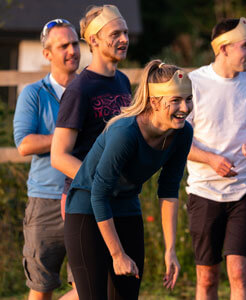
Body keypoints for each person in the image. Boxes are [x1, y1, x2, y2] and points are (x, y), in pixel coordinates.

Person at [64, 60, 193, 299]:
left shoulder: (183, 133)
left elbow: (169, 190)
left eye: (188, 99)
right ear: (154, 102)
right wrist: (117, 254)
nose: (184, 108)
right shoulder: (126, 133)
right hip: (87, 210)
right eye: (175, 100)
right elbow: (99, 194)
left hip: (126, 208)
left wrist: (170, 250)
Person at [186, 17, 246, 300]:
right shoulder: (194, 83)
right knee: (207, 278)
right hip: (204, 192)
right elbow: (177, 141)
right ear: (223, 48)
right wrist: (211, 159)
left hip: (245, 192)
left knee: (238, 271)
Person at [13, 19, 79, 300]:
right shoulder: (34, 93)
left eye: (75, 43)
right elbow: (24, 144)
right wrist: (66, 138)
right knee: (41, 289)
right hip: (45, 201)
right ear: (47, 54)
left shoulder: (88, 90)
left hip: (84, 198)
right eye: (63, 46)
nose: (72, 51)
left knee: (88, 287)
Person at [51, 5, 131, 218]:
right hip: (84, 201)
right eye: (115, 34)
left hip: (120, 199)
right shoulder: (79, 89)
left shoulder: (123, 81)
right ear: (94, 40)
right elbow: (59, 156)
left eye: (125, 33)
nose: (124, 39)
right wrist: (101, 184)